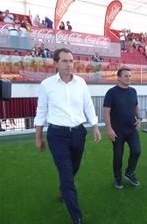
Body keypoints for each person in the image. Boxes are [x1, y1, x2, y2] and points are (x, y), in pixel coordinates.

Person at [34, 48, 101, 224]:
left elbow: (88, 105)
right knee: (66, 175)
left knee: (73, 170)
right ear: (56, 63)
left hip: (79, 133)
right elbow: (41, 111)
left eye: (71, 61)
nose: (69, 64)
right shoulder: (46, 85)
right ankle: (76, 217)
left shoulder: (81, 83)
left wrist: (95, 126)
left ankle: (65, 189)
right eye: (65, 61)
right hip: (57, 135)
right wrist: (38, 137)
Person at [103, 66, 142, 189]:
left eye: (130, 76)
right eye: (126, 76)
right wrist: (109, 129)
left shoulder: (133, 91)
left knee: (137, 151)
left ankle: (129, 173)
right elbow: (106, 112)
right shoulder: (111, 92)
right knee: (118, 156)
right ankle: (118, 179)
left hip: (131, 129)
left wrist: (139, 119)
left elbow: (136, 106)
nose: (129, 78)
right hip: (117, 131)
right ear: (119, 78)